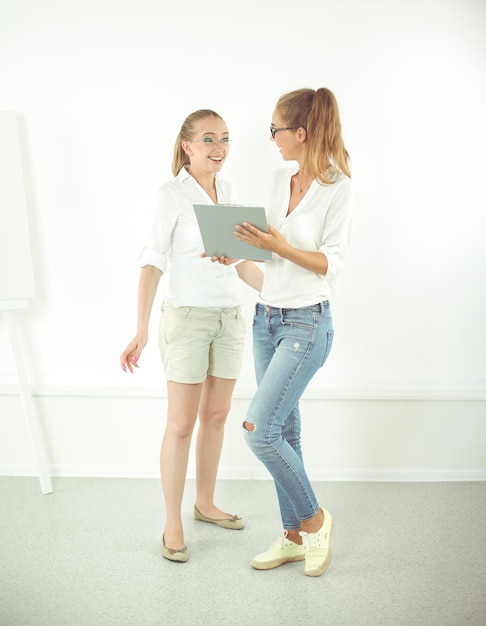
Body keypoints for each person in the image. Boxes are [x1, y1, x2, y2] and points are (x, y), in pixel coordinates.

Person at [223, 87, 356, 577]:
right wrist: (239, 252)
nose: (273, 138)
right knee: (287, 431)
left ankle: (317, 519)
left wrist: (276, 243)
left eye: (275, 129)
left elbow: (328, 263)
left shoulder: (339, 187)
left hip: (307, 323)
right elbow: (271, 259)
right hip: (267, 317)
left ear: (300, 133)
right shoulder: (280, 180)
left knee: (260, 432)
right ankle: (294, 535)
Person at [120, 109, 255, 563]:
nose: (219, 147)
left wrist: (284, 289)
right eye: (208, 139)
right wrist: (140, 327)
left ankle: (206, 503)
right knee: (181, 424)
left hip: (231, 318)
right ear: (188, 147)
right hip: (188, 320)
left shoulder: (231, 192)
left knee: (216, 417)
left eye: (225, 139)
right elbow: (152, 261)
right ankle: (172, 522)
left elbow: (245, 262)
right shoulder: (170, 195)